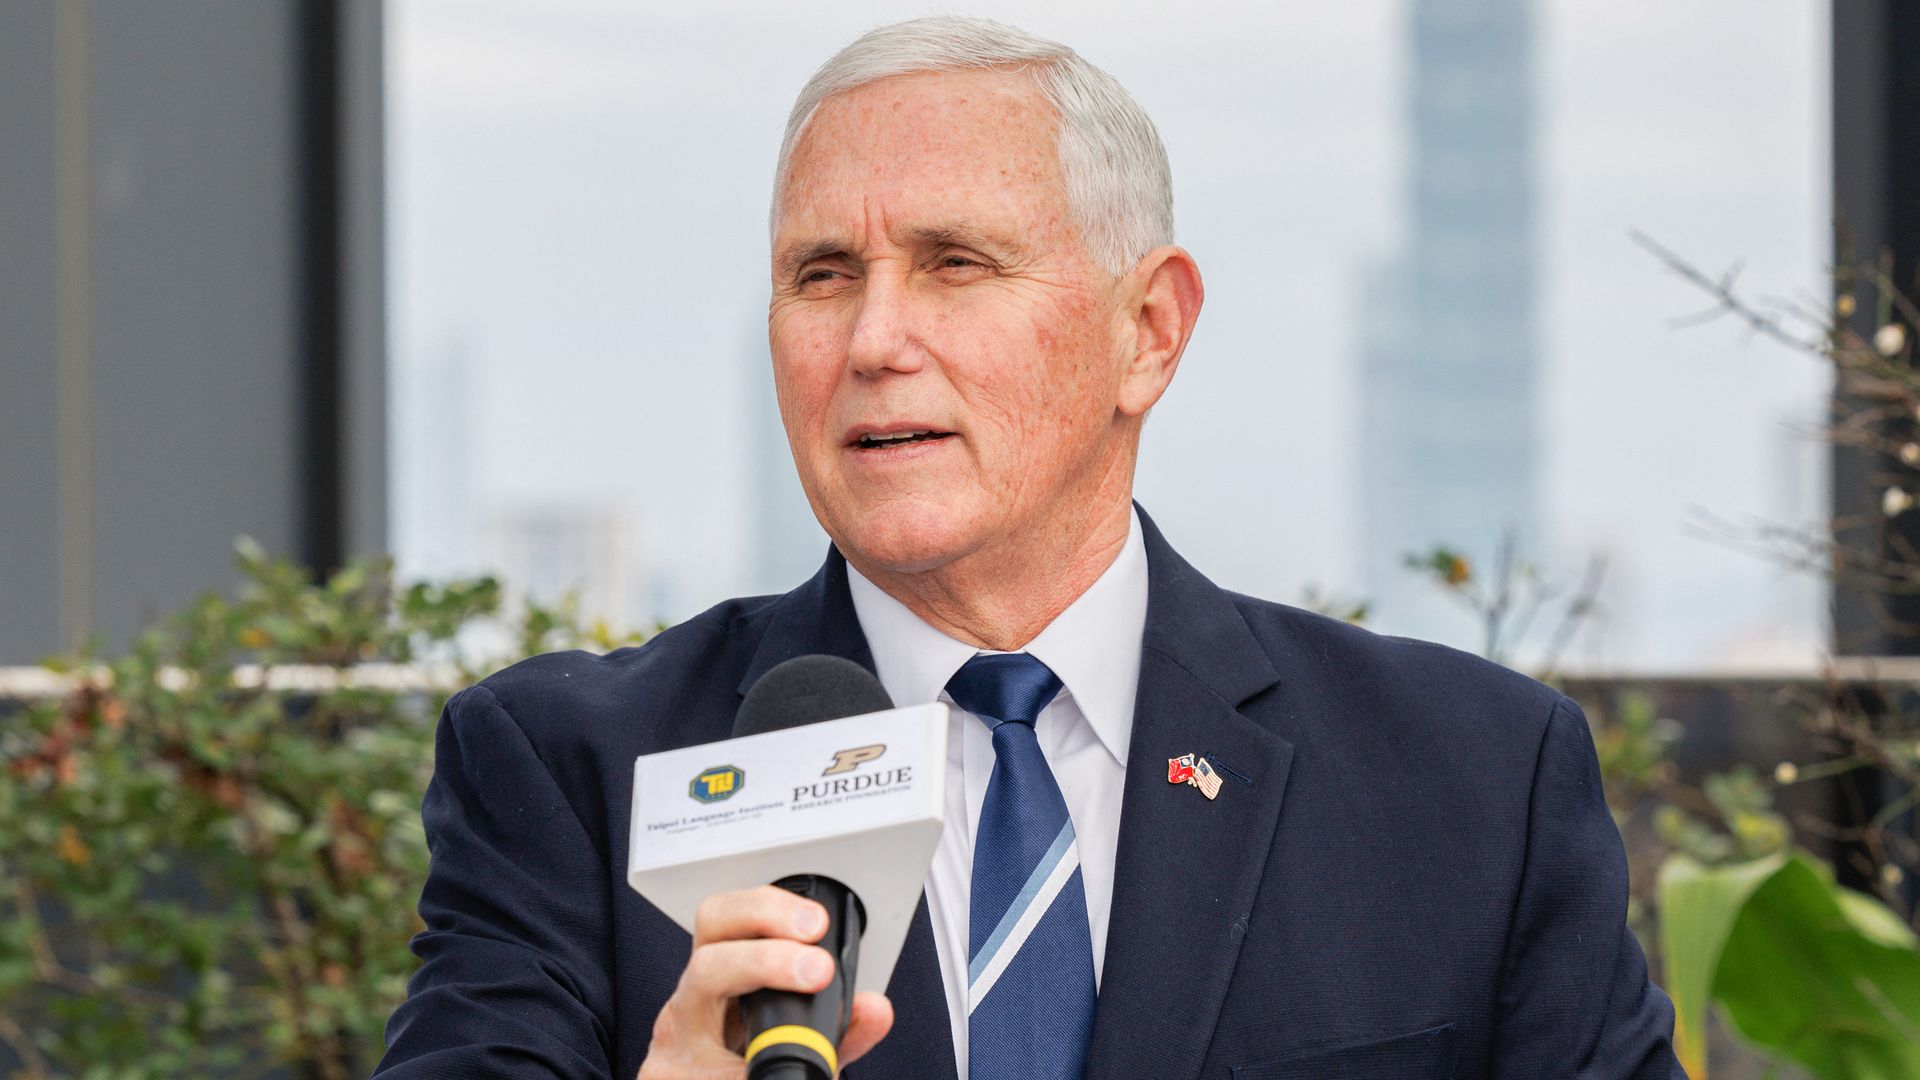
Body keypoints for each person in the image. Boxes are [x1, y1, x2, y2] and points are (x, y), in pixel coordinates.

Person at [376, 15, 1682, 1080]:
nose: (874, 340)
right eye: (823, 275)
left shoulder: (1472, 779)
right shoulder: (572, 771)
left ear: (1149, 332)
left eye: (955, 263)